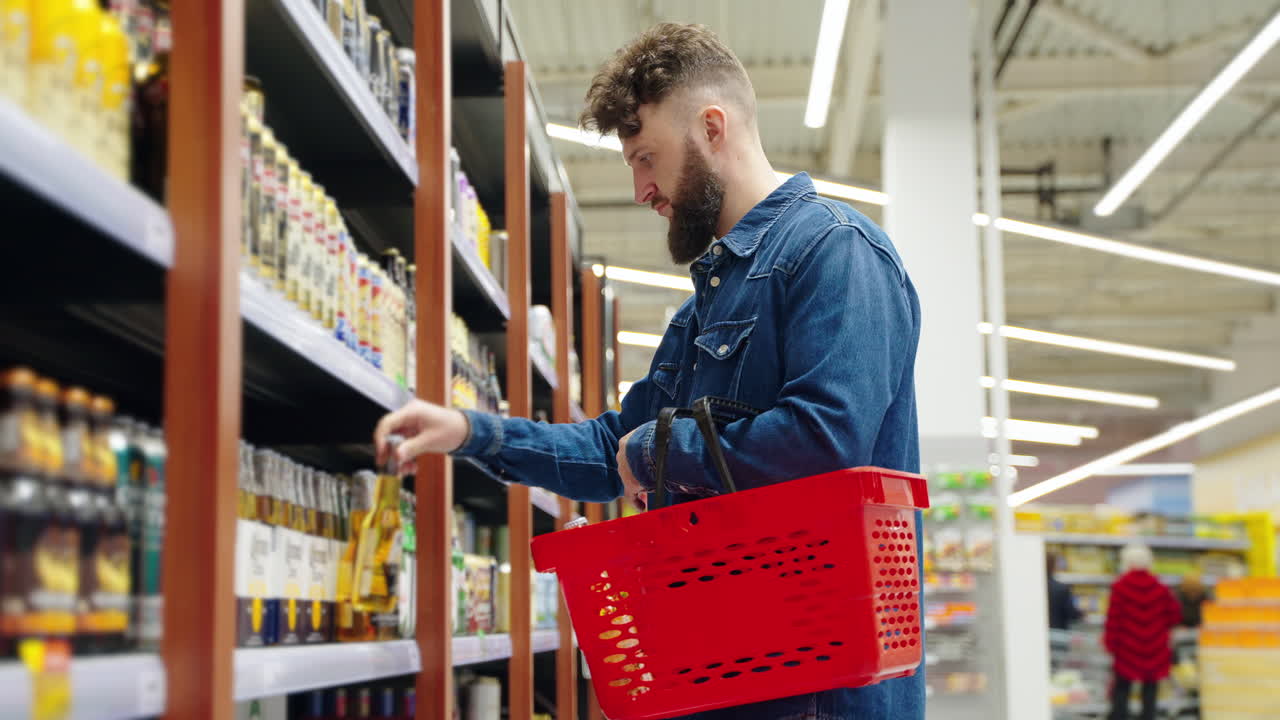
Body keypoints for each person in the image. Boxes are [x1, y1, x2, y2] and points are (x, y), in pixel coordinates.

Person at [375, 22, 922, 720]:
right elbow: (616, 449)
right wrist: (467, 432)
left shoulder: (836, 253)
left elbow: (827, 438)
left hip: (821, 693)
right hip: (726, 674)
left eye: (646, 157)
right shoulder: (704, 310)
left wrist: (660, 452)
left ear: (713, 127)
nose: (640, 189)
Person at [1103, 544, 1181, 720]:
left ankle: (1119, 716)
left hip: (1127, 647)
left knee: (1122, 687)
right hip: (1154, 647)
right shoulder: (1160, 587)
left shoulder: (1120, 587)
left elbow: (1114, 619)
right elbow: (1174, 616)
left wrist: (1110, 643)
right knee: (1150, 689)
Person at [1047, 553, 1083, 630]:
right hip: (1058, 634)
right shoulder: (1062, 588)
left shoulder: (1031, 589)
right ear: (1053, 566)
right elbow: (1072, 614)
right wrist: (1082, 614)